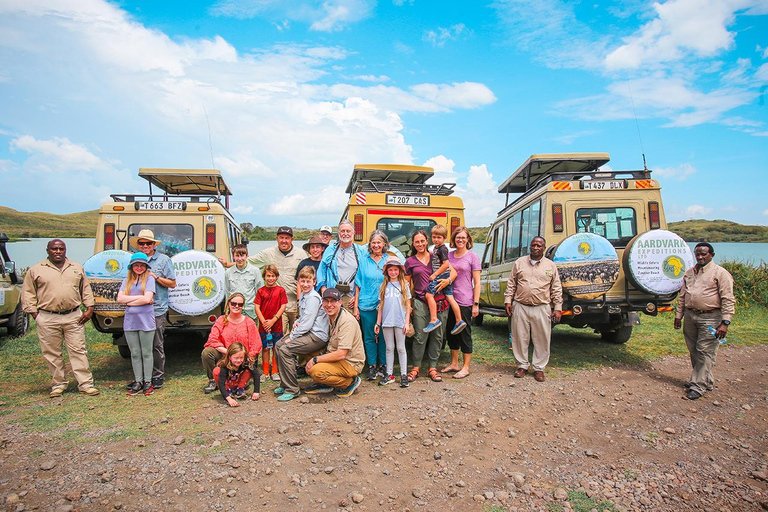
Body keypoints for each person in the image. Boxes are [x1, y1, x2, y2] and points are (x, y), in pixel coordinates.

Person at [21, 239, 100, 397]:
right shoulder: (36, 270)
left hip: (73, 316)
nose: (58, 251)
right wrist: (35, 314)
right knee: (52, 353)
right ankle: (58, 384)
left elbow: (85, 289)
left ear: (65, 250)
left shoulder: (76, 268)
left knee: (78, 350)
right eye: (54, 249)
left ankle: (85, 384)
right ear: (48, 250)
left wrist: (89, 308)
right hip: (47, 316)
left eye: (61, 248)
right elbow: (28, 293)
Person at [674, 242, 735, 400]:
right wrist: (678, 316)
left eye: (704, 254)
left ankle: (698, 386)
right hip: (690, 316)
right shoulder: (689, 273)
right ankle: (705, 380)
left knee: (705, 351)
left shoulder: (720, 273)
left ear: (712, 255)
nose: (700, 257)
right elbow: (682, 296)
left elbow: (728, 299)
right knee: (694, 350)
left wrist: (725, 322)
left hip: (710, 317)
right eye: (698, 254)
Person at [504, 236, 563, 382]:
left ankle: (538, 368)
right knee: (519, 338)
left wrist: (558, 308)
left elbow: (556, 288)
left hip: (542, 307)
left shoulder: (550, 266)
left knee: (542, 339)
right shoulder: (519, 263)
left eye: (539, 246)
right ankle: (522, 365)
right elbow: (512, 283)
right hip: (520, 306)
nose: (536, 248)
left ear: (544, 248)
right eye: (533, 245)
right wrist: (508, 301)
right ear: (529, 246)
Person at [404, 230, 456, 383]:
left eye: (422, 241)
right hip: (420, 301)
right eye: (416, 242)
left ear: (427, 241)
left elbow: (453, 272)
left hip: (440, 302)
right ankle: (416, 367)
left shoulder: (437, 256)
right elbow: (407, 286)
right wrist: (409, 305)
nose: (420, 244)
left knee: (438, 336)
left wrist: (447, 281)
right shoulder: (410, 262)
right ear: (413, 244)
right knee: (420, 336)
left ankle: (432, 367)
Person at [273, 267, 330, 402]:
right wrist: (297, 321)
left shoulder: (313, 298)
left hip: (316, 336)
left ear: (314, 282)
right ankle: (285, 382)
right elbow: (304, 317)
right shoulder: (304, 295)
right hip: (307, 332)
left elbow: (307, 324)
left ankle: (292, 389)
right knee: (278, 345)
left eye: (308, 281)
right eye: (302, 281)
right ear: (298, 281)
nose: (305, 284)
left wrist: (292, 337)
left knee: (286, 349)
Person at [129, 229, 176, 390]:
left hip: (156, 308)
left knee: (156, 344)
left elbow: (172, 283)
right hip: (136, 309)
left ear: (153, 244)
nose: (145, 246)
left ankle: (157, 377)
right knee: (138, 345)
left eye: (148, 243)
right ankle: (141, 378)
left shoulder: (163, 260)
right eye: (141, 243)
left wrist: (155, 277)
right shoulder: (134, 259)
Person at [304, 288, 365, 397]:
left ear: (340, 302)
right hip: (333, 354)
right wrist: (298, 323)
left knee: (316, 371)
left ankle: (349, 382)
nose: (329, 305)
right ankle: (326, 383)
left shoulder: (347, 321)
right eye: (326, 301)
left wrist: (315, 360)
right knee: (305, 348)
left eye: (333, 301)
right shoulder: (330, 315)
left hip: (350, 362)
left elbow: (342, 354)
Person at [245, 227, 307, 332]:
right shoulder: (268, 253)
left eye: (287, 238)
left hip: (296, 303)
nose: (284, 240)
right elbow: (247, 262)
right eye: (281, 237)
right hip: (277, 305)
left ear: (292, 239)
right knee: (279, 336)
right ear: (276, 239)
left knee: (297, 335)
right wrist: (227, 264)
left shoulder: (301, 254)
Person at [441, 227, 481, 379]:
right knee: (451, 332)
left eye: (463, 238)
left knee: (464, 333)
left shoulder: (472, 257)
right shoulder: (449, 256)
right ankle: (454, 363)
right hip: (448, 300)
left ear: (468, 240)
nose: (460, 240)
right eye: (458, 237)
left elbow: (477, 283)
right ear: (454, 239)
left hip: (464, 300)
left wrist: (476, 304)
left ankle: (466, 366)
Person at [201, 293, 261, 396]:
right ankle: (213, 381)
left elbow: (256, 343)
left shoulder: (249, 322)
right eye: (234, 303)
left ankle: (241, 382)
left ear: (243, 306)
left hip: (242, 358)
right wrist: (228, 352)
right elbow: (212, 339)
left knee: (249, 363)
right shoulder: (221, 320)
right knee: (207, 352)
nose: (236, 306)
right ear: (228, 304)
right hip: (225, 356)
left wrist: (246, 357)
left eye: (240, 304)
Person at [117, 252, 157, 396]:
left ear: (146, 266)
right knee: (134, 353)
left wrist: (129, 300)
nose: (139, 268)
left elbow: (148, 299)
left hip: (146, 321)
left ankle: (148, 382)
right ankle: (138, 381)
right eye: (136, 265)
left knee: (146, 352)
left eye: (142, 265)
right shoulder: (126, 281)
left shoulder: (150, 279)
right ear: (131, 267)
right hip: (130, 322)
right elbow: (119, 299)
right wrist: (140, 297)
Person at [355, 230, 391, 380]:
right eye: (373, 242)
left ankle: (383, 364)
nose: (376, 245)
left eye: (379, 242)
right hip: (366, 303)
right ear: (370, 244)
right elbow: (358, 284)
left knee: (384, 336)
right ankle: (371, 366)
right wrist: (356, 306)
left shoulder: (389, 260)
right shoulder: (363, 260)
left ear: (384, 244)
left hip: (385, 305)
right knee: (369, 337)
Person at [374, 257, 412, 387]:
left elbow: (408, 306)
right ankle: (389, 374)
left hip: (400, 321)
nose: (393, 272)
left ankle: (403, 375)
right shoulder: (384, 286)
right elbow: (381, 306)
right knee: (389, 348)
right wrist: (378, 323)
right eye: (391, 270)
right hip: (386, 321)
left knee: (401, 348)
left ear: (399, 271)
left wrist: (407, 323)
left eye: (396, 270)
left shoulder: (404, 285)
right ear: (387, 271)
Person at [423, 225, 466, 336]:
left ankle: (434, 319)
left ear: (444, 238)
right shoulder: (437, 248)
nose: (436, 239)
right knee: (450, 297)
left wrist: (435, 274)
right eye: (434, 237)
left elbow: (446, 264)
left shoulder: (442, 249)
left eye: (439, 237)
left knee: (429, 295)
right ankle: (459, 320)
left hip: (441, 275)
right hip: (445, 275)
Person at [317, 220, 364, 311]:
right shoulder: (331, 250)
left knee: (348, 324)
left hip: (351, 298)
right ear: (339, 233)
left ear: (353, 233)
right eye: (343, 231)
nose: (345, 234)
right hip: (332, 296)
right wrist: (323, 289)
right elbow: (321, 271)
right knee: (331, 323)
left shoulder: (360, 251)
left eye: (348, 231)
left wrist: (357, 297)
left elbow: (364, 275)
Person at [255, 264, 287, 381]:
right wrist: (264, 322)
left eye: (273, 276)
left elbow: (283, 305)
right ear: (264, 277)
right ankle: (265, 371)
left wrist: (273, 320)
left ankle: (275, 371)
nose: (270, 278)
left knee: (275, 348)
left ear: (277, 277)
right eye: (268, 276)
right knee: (265, 348)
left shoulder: (281, 290)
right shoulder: (260, 291)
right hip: (264, 326)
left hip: (277, 325)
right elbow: (257, 307)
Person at [223, 244, 263, 321]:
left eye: (242, 256)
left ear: (247, 256)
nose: (240, 259)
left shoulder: (255, 271)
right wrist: (227, 311)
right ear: (233, 257)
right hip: (234, 311)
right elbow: (227, 292)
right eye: (237, 256)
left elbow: (259, 292)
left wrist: (259, 310)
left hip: (250, 312)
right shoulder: (228, 272)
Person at [213, 342, 259, 407]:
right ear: (230, 357)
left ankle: (240, 389)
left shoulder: (246, 362)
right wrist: (229, 399)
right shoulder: (224, 365)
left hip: (238, 382)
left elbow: (256, 374)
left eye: (241, 358)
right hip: (228, 383)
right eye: (236, 358)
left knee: (249, 370)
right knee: (216, 371)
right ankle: (227, 391)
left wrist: (256, 392)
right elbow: (221, 383)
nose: (238, 360)